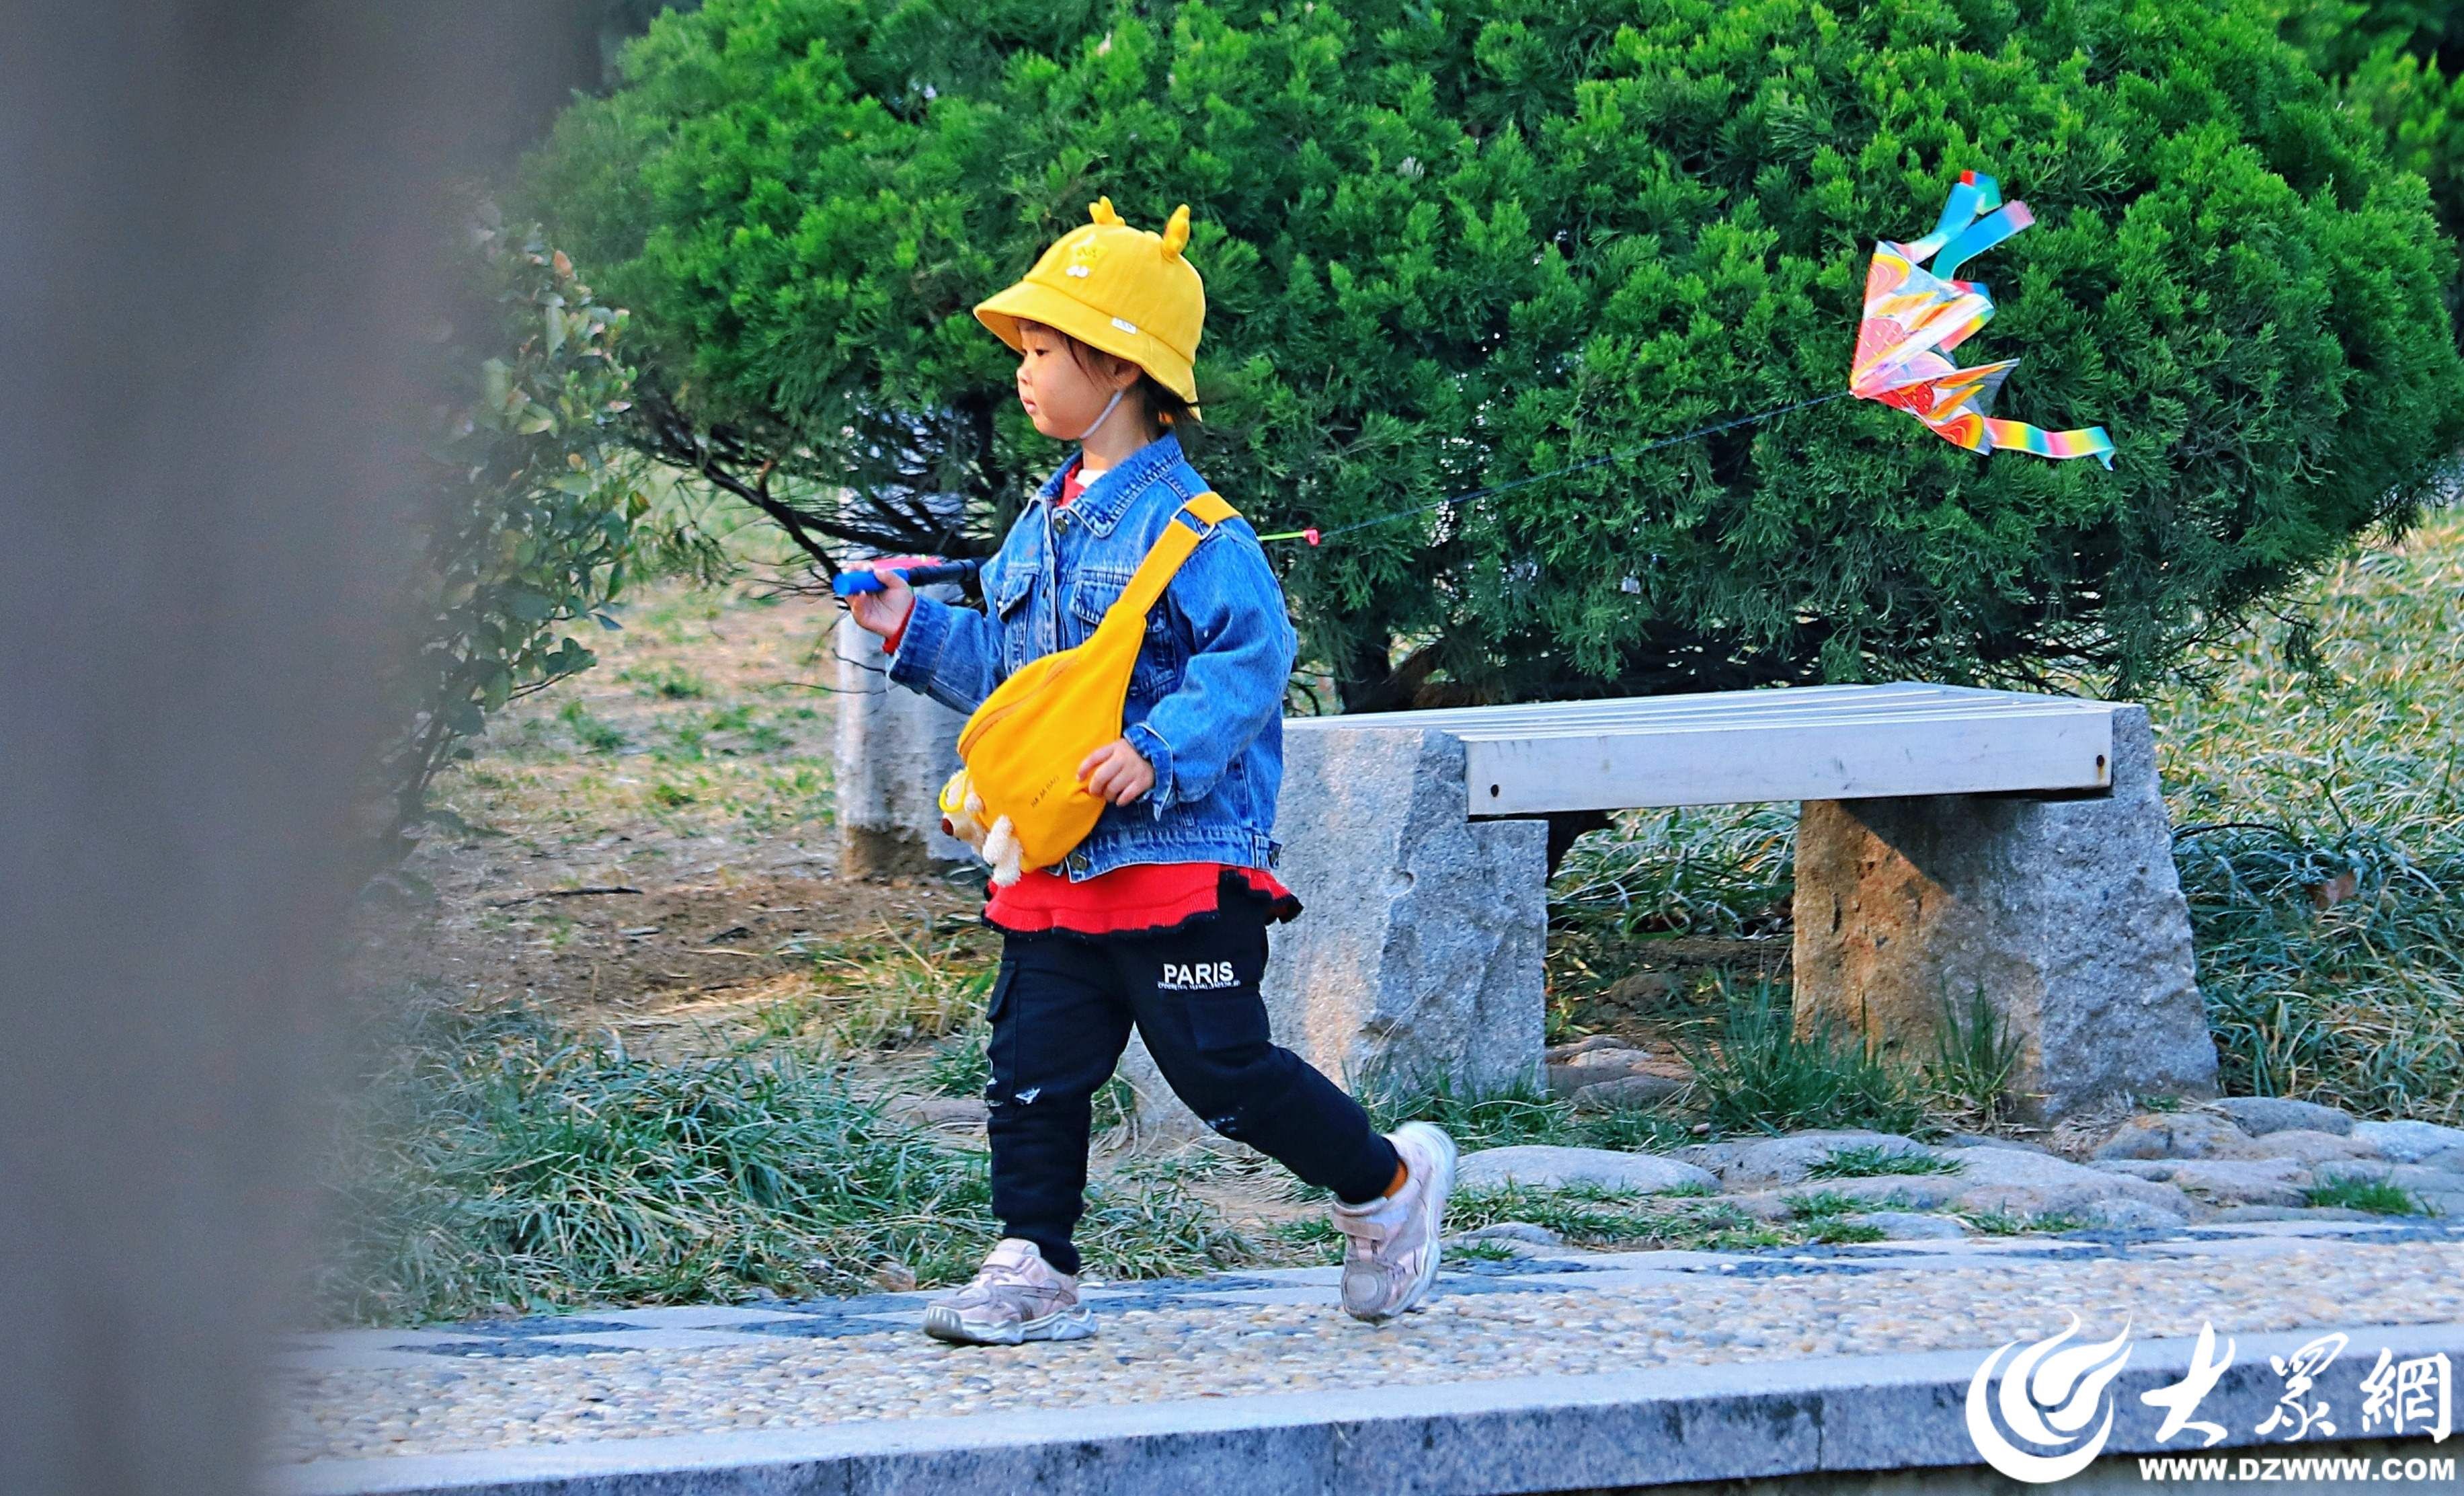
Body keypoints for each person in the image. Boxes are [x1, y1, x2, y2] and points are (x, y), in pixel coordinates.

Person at [843, 198, 1455, 1346]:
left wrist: (1156, 749)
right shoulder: (1038, 526)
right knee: (1032, 1066)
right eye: (1023, 349)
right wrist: (909, 629)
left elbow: (1249, 662)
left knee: (1221, 1074)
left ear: (1119, 367)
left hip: (1174, 858)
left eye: (1041, 350)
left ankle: (1382, 1186)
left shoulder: (1201, 531)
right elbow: (1016, 679)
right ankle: (1032, 1259)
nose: (1022, 373)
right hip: (1059, 856)